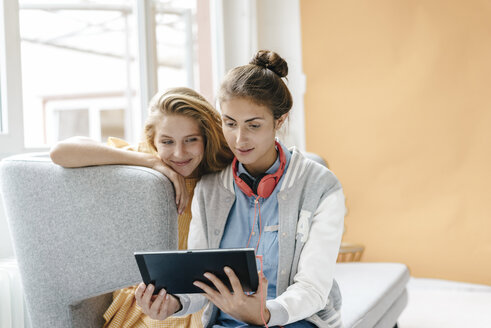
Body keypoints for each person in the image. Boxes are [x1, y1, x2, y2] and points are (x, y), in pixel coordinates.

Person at [135, 50, 345, 328]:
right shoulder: (210, 188)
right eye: (230, 123)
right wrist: (174, 303)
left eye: (253, 125)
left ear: (279, 121)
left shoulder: (320, 186)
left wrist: (265, 313)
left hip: (296, 321)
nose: (239, 139)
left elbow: (313, 289)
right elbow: (200, 284)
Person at [50, 87, 234, 328]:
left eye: (191, 140)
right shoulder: (147, 161)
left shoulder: (222, 175)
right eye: (167, 141)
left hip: (199, 300)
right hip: (149, 301)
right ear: (153, 141)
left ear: (206, 137)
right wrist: (151, 162)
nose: (179, 153)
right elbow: (61, 153)